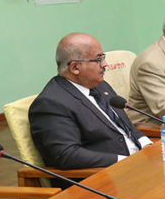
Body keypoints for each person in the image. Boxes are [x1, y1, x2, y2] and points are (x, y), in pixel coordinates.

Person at [29, 33, 151, 171]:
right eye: (98, 59)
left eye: (103, 57)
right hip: (104, 176)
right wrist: (124, 161)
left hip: (136, 164)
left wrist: (147, 145)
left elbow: (125, 126)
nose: (105, 64)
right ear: (75, 67)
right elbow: (66, 155)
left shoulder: (99, 85)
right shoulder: (51, 104)